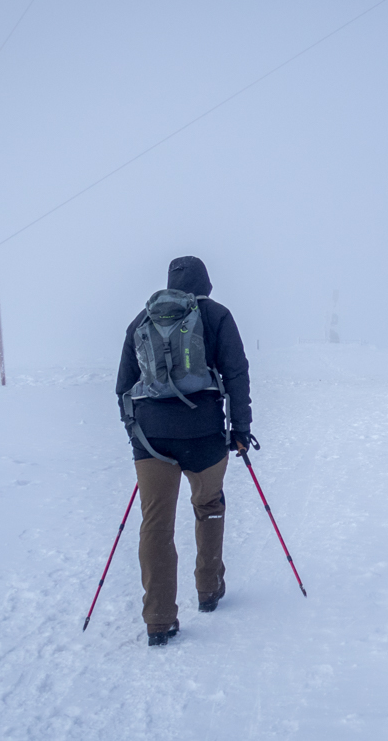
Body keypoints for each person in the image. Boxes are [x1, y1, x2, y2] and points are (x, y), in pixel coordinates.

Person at [115, 256, 253, 647]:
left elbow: (124, 386)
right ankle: (209, 589)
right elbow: (236, 373)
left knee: (155, 523)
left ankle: (159, 619)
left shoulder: (141, 321)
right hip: (204, 433)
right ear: (206, 283)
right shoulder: (217, 315)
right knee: (208, 503)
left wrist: (135, 435)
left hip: (151, 438)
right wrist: (240, 429)